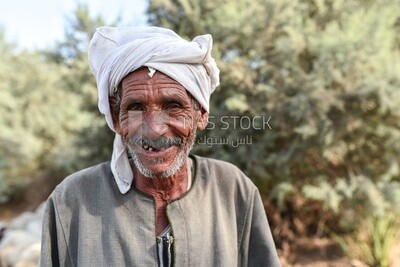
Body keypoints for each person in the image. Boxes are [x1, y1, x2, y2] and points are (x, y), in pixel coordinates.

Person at [39, 26, 281, 267]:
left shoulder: (233, 190)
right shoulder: (72, 201)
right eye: (135, 107)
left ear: (202, 114)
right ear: (116, 117)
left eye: (173, 106)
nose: (154, 129)